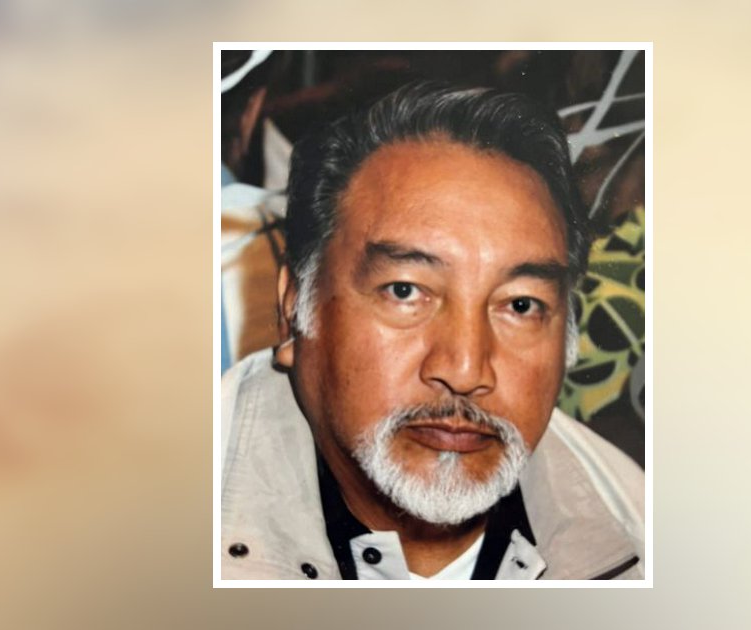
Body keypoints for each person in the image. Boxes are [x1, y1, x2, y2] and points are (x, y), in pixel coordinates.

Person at [220, 82, 645, 580]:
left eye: (521, 305)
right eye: (405, 291)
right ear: (294, 307)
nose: (464, 370)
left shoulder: (639, 529)